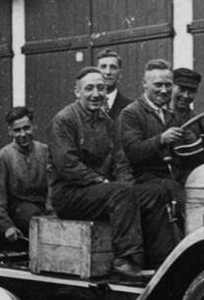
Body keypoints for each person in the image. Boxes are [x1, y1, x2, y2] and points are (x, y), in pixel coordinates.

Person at [50, 67, 178, 277]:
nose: (96, 94)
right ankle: (125, 260)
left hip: (102, 192)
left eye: (101, 88)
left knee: (155, 193)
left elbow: (121, 162)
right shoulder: (64, 120)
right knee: (120, 193)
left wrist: (128, 185)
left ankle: (162, 261)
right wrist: (102, 181)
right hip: (70, 195)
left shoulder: (107, 122)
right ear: (77, 92)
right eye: (89, 88)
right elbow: (68, 166)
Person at [118, 60, 186, 208]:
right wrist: (161, 139)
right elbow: (132, 152)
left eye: (168, 85)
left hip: (172, 178)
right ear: (145, 84)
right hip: (144, 180)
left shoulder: (171, 114)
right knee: (176, 193)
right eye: (158, 85)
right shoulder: (131, 113)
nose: (164, 90)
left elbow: (187, 144)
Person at [0, 106, 49, 242]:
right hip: (20, 213)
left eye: (26, 128)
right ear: (10, 131)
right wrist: (7, 227)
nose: (22, 134)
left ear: (34, 126)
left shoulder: (45, 151)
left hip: (46, 211)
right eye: (17, 130)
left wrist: (52, 214)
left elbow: (54, 186)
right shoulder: (3, 157)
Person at [95, 48, 133, 119]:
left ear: (120, 74)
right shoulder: (85, 106)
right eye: (103, 67)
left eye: (113, 67)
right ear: (96, 72)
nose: (108, 72)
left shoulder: (131, 107)